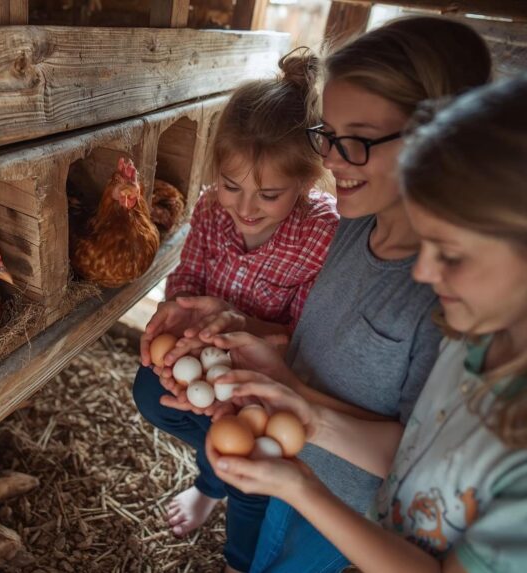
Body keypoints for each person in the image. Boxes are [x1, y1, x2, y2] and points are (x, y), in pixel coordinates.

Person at [209, 68, 527, 573]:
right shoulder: (470, 348)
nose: (421, 271)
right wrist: (308, 416)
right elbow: (408, 450)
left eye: (453, 254)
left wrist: (305, 491)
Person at [138, 17, 492, 573]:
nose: (328, 160)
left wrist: (295, 405)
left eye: (353, 140)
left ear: (438, 139)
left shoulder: (446, 295)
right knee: (264, 549)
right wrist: (247, 337)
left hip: (347, 501)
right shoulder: (355, 227)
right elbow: (313, 340)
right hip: (295, 459)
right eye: (325, 135)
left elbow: (419, 456)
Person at [133, 47, 339, 569]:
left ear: (306, 182)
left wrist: (235, 322)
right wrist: (174, 313)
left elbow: (303, 336)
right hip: (205, 361)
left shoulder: (321, 233)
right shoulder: (209, 208)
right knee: (150, 392)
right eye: (231, 185)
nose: (245, 208)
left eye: (269, 194)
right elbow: (186, 280)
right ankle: (211, 474)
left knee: (251, 467)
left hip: (269, 379)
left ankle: (238, 555)